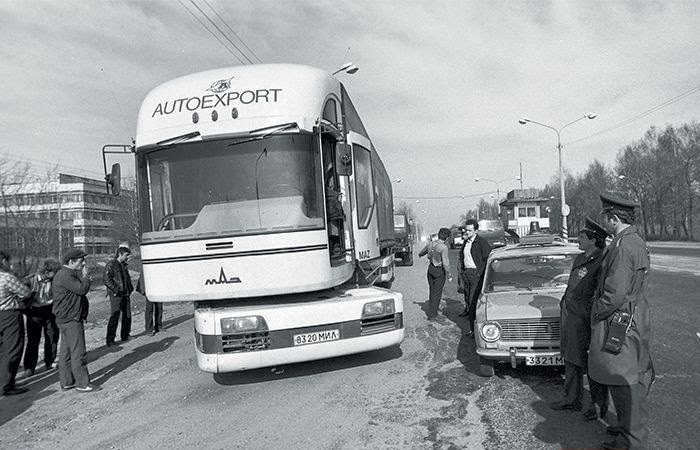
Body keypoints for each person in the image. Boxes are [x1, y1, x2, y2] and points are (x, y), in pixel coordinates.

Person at [588, 193, 653, 450]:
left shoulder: (625, 246)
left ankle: (632, 441)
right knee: (620, 378)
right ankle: (625, 431)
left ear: (613, 218)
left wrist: (595, 311)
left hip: (621, 321)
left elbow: (614, 294)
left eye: (605, 217)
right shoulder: (628, 240)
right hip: (629, 316)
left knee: (626, 381)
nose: (603, 222)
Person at [550, 217, 607, 417]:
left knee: (592, 363)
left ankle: (597, 405)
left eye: (582, 237)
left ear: (594, 239)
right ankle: (571, 399)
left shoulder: (602, 260)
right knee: (571, 359)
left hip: (585, 317)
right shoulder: (581, 257)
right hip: (570, 316)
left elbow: (598, 293)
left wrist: (588, 314)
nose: (577, 240)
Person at [53, 248, 99, 392]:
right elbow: (81, 290)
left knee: (66, 352)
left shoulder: (65, 274)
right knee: (78, 352)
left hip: (65, 318)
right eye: (81, 261)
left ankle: (67, 381)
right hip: (71, 318)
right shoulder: (66, 275)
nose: (83, 263)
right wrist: (86, 277)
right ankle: (82, 383)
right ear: (71, 262)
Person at [22, 258, 62, 378]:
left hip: (49, 310)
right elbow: (21, 301)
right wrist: (28, 312)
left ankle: (49, 362)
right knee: (33, 340)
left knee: (52, 336)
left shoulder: (54, 280)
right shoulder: (29, 280)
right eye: (55, 272)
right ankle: (29, 367)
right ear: (47, 271)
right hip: (34, 312)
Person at [0, 250, 33, 396]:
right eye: (8, 261)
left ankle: (3, 381)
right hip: (9, 315)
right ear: (3, 262)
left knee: (1, 351)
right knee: (13, 349)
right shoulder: (6, 277)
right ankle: (7, 385)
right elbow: (25, 293)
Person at [458, 218, 491, 336]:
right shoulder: (466, 243)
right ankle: (472, 329)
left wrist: (479, 273)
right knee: (468, 300)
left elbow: (487, 259)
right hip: (467, 275)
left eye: (469, 230)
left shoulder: (482, 243)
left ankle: (475, 331)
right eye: (465, 230)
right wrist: (462, 272)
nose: (466, 232)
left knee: (473, 302)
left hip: (476, 276)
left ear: (476, 231)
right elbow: (462, 258)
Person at [418, 227, 453, 321]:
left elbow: (422, 252)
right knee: (437, 293)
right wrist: (449, 275)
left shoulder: (431, 244)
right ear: (447, 237)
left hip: (430, 269)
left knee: (432, 291)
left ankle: (431, 311)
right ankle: (433, 315)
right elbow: (446, 263)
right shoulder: (443, 247)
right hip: (439, 270)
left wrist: (420, 255)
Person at [103, 247, 134, 346]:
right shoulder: (111, 265)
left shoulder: (124, 265)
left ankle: (125, 335)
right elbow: (106, 279)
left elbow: (126, 279)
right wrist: (116, 290)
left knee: (127, 315)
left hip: (125, 293)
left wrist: (130, 289)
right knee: (115, 316)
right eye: (126, 255)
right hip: (116, 295)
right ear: (120, 254)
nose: (128, 257)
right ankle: (110, 340)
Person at [139, 272, 162, 336]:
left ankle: (159, 326)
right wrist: (143, 291)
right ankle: (149, 329)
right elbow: (142, 277)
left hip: (158, 289)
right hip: (149, 290)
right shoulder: (146, 265)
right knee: (149, 309)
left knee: (159, 308)